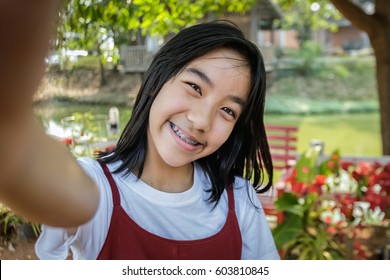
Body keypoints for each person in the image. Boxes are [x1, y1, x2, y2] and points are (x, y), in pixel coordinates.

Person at [1, 1, 279, 260]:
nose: (201, 121)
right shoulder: (93, 186)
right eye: (195, 87)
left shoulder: (240, 200)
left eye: (228, 111)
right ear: (157, 80)